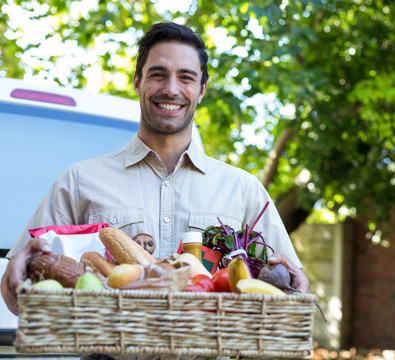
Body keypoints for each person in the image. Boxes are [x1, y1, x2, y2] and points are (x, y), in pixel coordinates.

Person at [1, 22, 309, 316]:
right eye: (158, 74)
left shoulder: (243, 189)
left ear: (202, 90)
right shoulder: (80, 181)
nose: (171, 89)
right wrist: (15, 279)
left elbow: (292, 294)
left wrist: (297, 284)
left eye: (186, 78)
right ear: (137, 82)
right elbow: (17, 292)